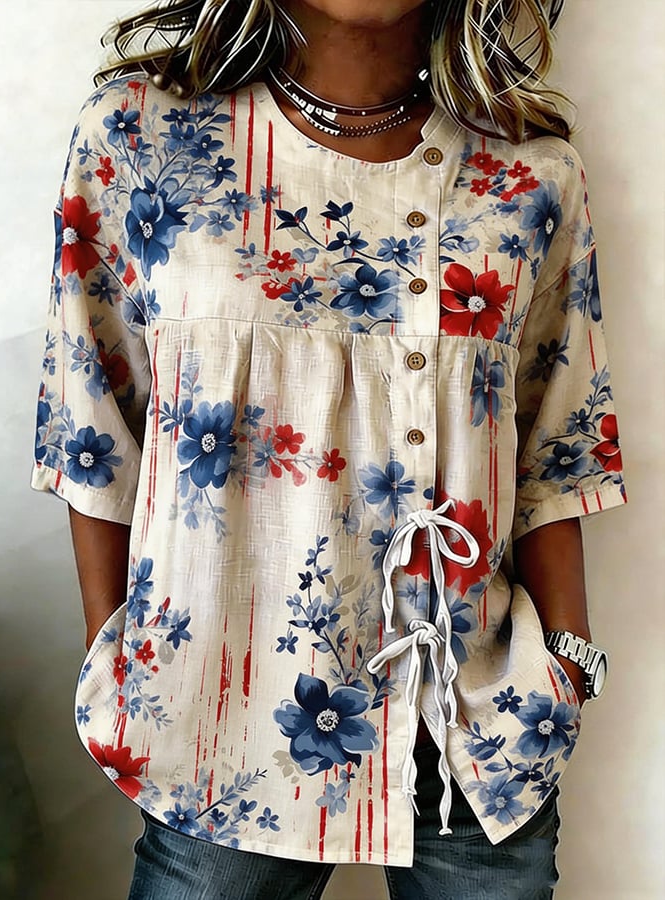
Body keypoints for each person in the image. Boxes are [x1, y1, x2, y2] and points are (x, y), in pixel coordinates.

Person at [32, 1, 626, 897]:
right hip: (218, 723)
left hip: (472, 722)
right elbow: (93, 426)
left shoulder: (529, 173)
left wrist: (568, 662)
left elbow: (558, 446)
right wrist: (121, 658)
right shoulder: (138, 137)